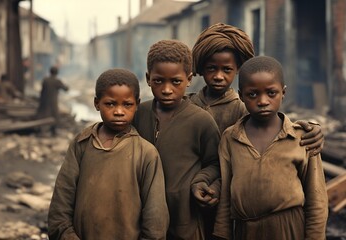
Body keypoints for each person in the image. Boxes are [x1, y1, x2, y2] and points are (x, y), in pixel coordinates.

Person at [189, 22, 325, 239]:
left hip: (274, 220)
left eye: (227, 69)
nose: (218, 76)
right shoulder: (191, 110)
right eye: (211, 68)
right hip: (202, 205)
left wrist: (314, 129)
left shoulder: (244, 111)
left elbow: (315, 197)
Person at [213, 56, 328, 240]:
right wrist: (222, 233)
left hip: (289, 227)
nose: (263, 101)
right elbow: (226, 192)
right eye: (253, 94)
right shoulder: (231, 137)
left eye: (271, 93)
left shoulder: (300, 137)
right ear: (241, 95)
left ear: (283, 92)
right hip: (246, 230)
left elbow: (317, 199)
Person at [48, 69, 169, 240]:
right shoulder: (82, 144)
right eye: (110, 104)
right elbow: (62, 199)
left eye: (127, 104)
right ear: (97, 103)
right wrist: (66, 234)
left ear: (137, 104)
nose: (119, 111)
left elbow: (155, 217)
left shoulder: (146, 153)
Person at [132, 39, 220, 240]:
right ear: (147, 78)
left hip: (184, 221)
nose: (166, 89)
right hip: (141, 217)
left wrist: (200, 182)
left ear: (189, 79)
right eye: (158, 81)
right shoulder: (138, 114)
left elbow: (215, 163)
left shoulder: (201, 121)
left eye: (176, 81)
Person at [36, 66, 69, 135]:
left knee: (44, 115)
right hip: (53, 102)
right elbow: (66, 89)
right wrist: (67, 85)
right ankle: (53, 131)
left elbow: (42, 91)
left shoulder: (45, 80)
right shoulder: (57, 81)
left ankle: (41, 130)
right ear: (57, 73)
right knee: (55, 116)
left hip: (44, 101)